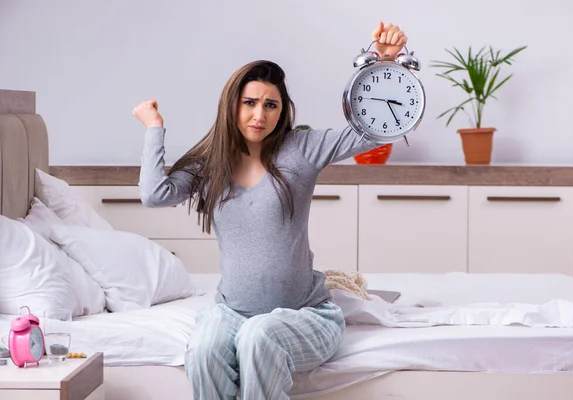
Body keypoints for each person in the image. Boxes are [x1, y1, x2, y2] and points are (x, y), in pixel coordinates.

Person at [132, 21, 408, 400]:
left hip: (307, 316)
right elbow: (154, 194)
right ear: (233, 104)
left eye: (270, 104)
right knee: (202, 351)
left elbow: (370, 131)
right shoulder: (208, 164)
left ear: (282, 110)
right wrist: (153, 127)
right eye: (249, 103)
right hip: (229, 312)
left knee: (257, 337)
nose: (259, 114)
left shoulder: (302, 149)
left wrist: (384, 65)